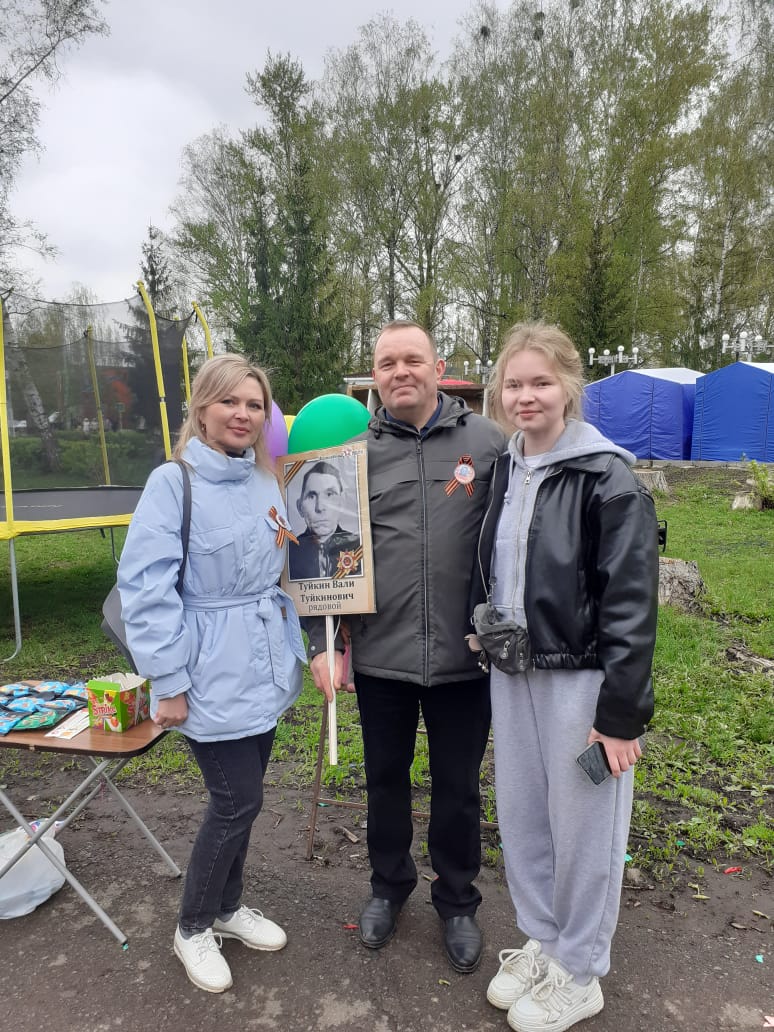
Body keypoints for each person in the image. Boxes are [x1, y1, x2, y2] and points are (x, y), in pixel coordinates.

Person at [472, 322, 658, 1032]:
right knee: (524, 815)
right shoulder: (506, 468)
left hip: (581, 680)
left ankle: (580, 971)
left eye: (541, 383)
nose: (526, 397)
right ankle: (545, 941)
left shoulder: (608, 478)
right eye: (514, 384)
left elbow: (632, 604)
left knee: (583, 827)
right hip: (514, 672)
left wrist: (620, 715)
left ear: (569, 388)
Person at [308, 320, 506, 973]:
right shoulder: (348, 458)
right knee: (385, 782)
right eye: (387, 362)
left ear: (437, 367)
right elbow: (322, 560)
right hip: (381, 655)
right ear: (375, 375)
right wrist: (323, 642)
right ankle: (388, 887)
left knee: (459, 788)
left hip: (464, 656)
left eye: (412, 360)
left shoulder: (488, 444)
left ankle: (458, 901)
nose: (400, 372)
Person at [117, 354, 306, 995]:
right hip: (205, 671)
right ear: (202, 409)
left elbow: (280, 566)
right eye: (230, 402)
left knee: (245, 801)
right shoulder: (173, 484)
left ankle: (228, 906)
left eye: (254, 405)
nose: (243, 415)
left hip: (262, 665)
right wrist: (168, 682)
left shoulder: (266, 481)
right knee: (236, 801)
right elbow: (146, 591)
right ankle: (193, 926)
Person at [288, 460, 361, 580]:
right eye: (311, 496)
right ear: (299, 506)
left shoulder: (359, 548)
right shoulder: (288, 554)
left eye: (329, 494)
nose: (320, 507)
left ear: (342, 502)